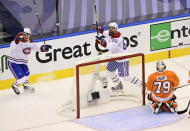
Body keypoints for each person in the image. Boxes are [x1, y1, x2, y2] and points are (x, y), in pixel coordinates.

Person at [93, 22, 142, 92]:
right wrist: (98, 28)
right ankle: (118, 85)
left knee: (125, 77)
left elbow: (111, 47)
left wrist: (101, 42)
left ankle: (141, 84)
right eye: (110, 28)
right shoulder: (110, 33)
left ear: (116, 29)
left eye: (113, 28)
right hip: (115, 57)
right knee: (110, 70)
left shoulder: (117, 36)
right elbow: (103, 32)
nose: (111, 29)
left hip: (122, 58)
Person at [7, 28, 52, 95]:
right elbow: (13, 47)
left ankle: (26, 87)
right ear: (21, 35)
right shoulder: (16, 42)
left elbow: (37, 48)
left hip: (23, 62)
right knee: (22, 78)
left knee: (27, 75)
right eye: (24, 34)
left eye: (28, 35)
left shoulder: (30, 42)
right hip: (14, 62)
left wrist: (44, 48)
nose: (26, 36)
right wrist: (17, 39)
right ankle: (14, 86)